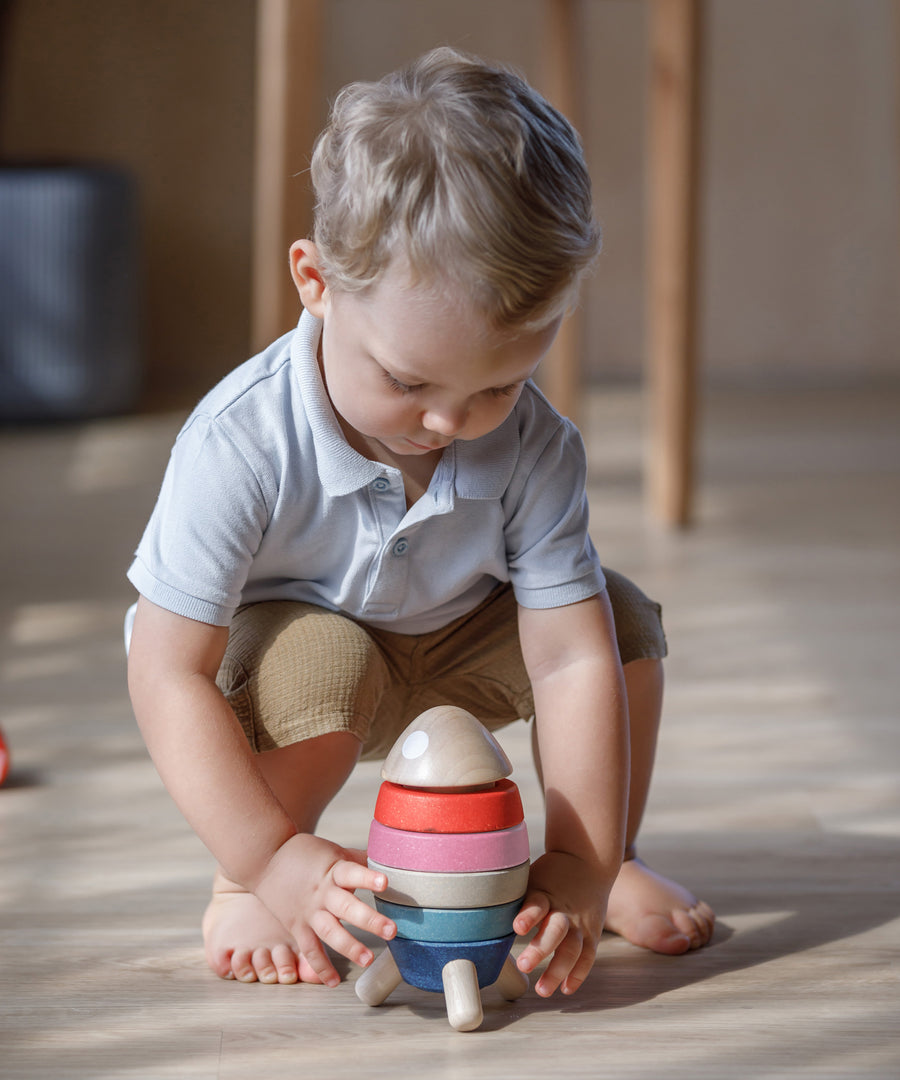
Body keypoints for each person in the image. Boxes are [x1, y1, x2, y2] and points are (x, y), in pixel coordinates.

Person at [126, 47, 714, 1001]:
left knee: (622, 628)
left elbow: (566, 659)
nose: (450, 422)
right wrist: (272, 857)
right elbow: (164, 671)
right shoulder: (241, 442)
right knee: (327, 662)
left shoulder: (534, 447)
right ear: (315, 281)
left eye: (499, 384)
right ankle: (243, 883)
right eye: (407, 381)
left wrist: (579, 861)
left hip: (457, 632)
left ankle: (602, 868)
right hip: (302, 656)